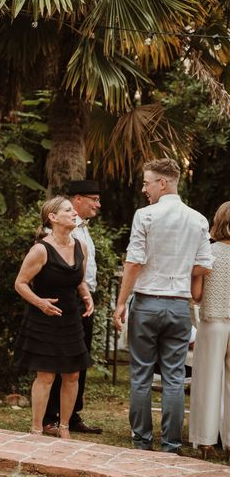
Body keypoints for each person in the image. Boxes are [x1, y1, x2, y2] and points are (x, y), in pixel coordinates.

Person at [113, 158, 214, 453]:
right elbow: (204, 266)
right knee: (173, 377)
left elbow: (133, 262)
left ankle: (142, 441)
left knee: (141, 374)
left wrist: (121, 303)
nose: (144, 189)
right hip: (179, 307)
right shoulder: (198, 219)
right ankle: (171, 444)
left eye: (147, 182)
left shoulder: (145, 216)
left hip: (146, 304)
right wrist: (184, 277)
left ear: (163, 183)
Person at [14, 196, 93, 439]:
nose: (74, 213)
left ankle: (65, 427)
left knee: (73, 374)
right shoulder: (40, 249)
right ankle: (37, 428)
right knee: (46, 375)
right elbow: (20, 283)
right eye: (68, 210)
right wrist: (40, 303)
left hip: (71, 318)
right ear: (53, 217)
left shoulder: (81, 246)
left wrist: (86, 294)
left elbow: (77, 278)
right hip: (43, 319)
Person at [43, 181, 103, 436]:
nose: (98, 205)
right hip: (67, 299)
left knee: (79, 360)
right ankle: (50, 416)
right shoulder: (62, 229)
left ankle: (72, 414)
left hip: (83, 297)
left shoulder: (83, 230)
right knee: (58, 360)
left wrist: (88, 295)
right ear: (78, 199)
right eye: (94, 199)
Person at [189, 201, 230, 459]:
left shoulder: (208, 253)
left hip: (213, 320)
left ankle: (205, 442)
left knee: (207, 378)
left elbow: (196, 294)